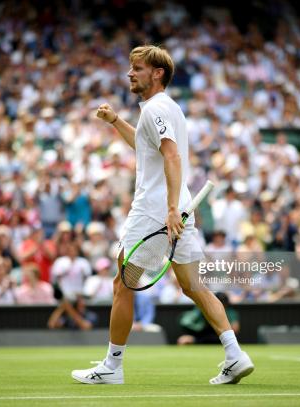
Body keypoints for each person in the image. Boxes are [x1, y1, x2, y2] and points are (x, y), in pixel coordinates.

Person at [72, 45, 253, 385]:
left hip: (156, 212)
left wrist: (169, 209)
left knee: (122, 284)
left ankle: (112, 366)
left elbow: (171, 157)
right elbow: (148, 147)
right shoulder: (164, 109)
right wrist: (114, 121)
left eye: (137, 68)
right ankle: (235, 354)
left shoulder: (155, 109)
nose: (130, 73)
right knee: (193, 286)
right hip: (177, 210)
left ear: (156, 74)